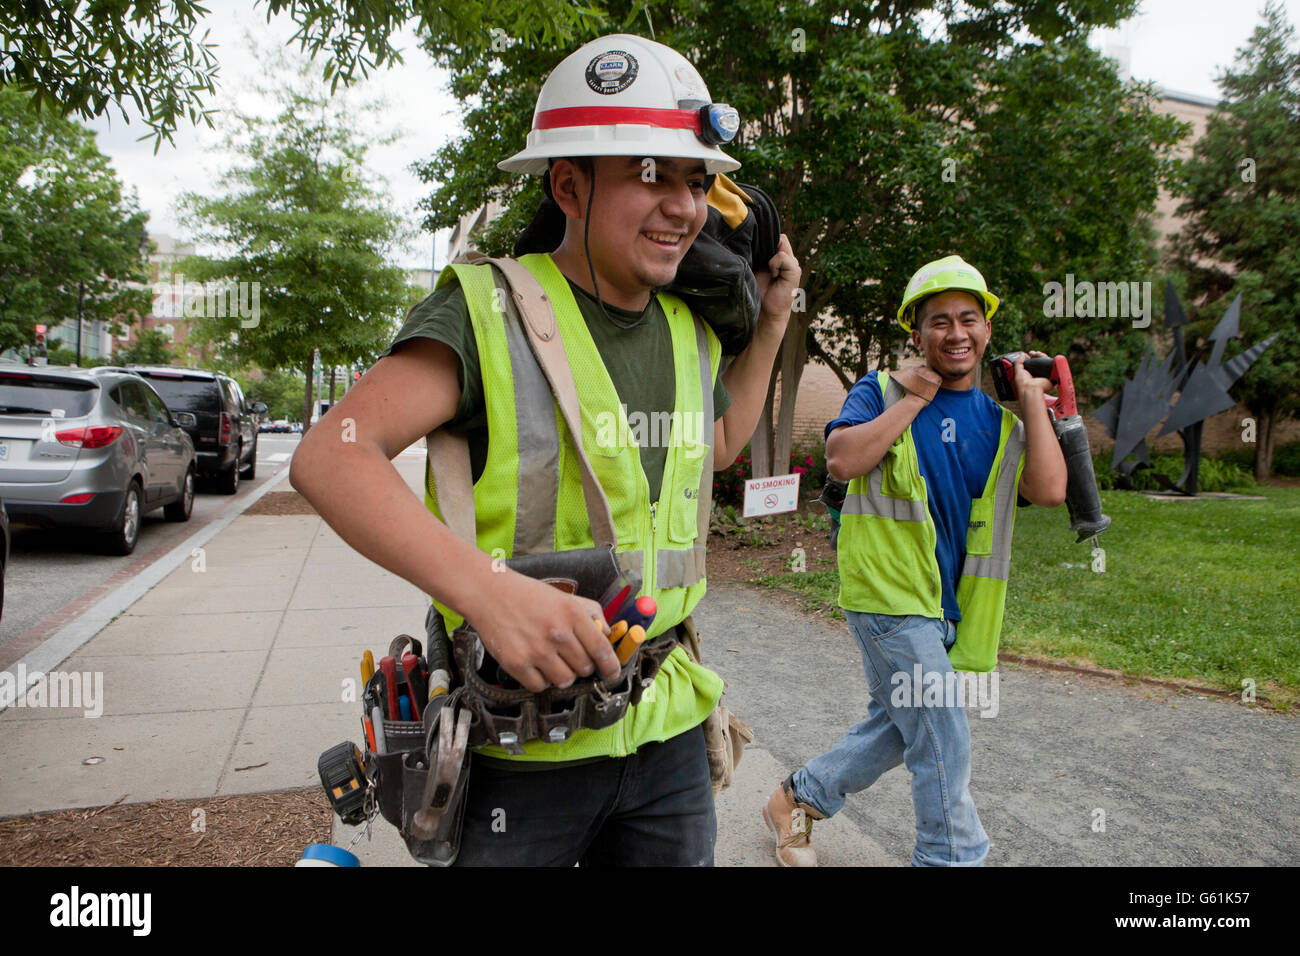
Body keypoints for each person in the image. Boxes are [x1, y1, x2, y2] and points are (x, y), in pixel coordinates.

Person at [291, 33, 800, 866]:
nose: (683, 206)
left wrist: (772, 317)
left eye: (698, 181)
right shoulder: (485, 309)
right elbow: (331, 455)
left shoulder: (687, 329)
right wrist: (487, 593)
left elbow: (714, 447)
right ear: (569, 184)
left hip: (665, 730)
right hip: (517, 748)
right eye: (651, 175)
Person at [764, 255, 1066, 867]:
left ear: (986, 329)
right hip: (888, 593)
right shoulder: (879, 390)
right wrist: (914, 400)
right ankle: (949, 857)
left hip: (952, 605)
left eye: (969, 319)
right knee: (942, 731)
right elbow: (843, 460)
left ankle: (799, 798)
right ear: (916, 335)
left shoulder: (1000, 424)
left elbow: (1050, 491)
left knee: (906, 724)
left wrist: (1034, 399)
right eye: (938, 322)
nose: (956, 333)